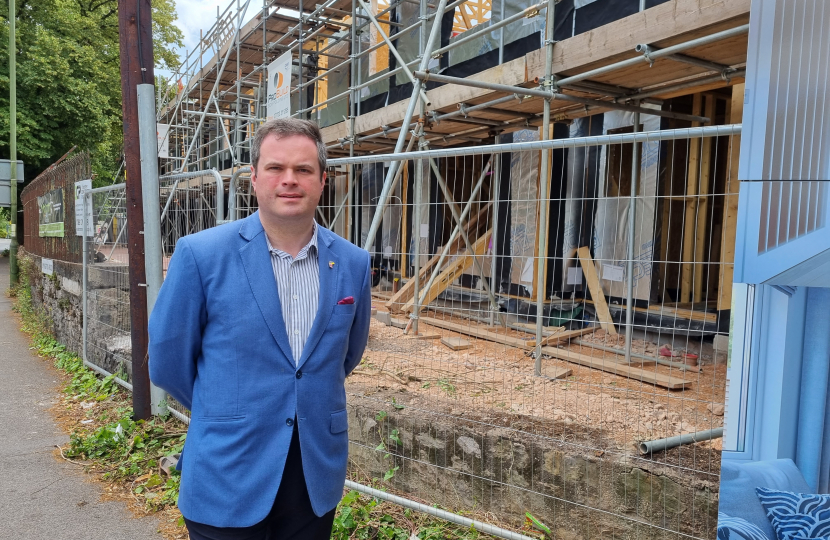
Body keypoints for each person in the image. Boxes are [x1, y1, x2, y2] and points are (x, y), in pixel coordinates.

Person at [149, 118, 372, 540]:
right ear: (253, 178)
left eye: (304, 170)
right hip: (227, 474)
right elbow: (167, 360)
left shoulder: (352, 263)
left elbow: (344, 356)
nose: (290, 180)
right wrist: (225, 408)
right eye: (275, 168)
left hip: (313, 478)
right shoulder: (201, 255)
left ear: (323, 180)